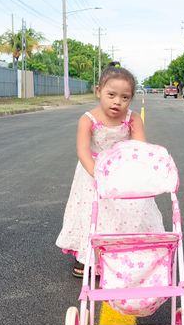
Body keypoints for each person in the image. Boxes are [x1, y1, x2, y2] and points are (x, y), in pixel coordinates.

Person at [55, 62, 165, 277]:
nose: (117, 102)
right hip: (93, 172)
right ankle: (88, 258)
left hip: (123, 172)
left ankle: (128, 252)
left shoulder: (132, 118)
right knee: (92, 213)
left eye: (125, 97)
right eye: (111, 94)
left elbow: (139, 147)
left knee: (129, 210)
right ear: (99, 92)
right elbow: (83, 150)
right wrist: (98, 175)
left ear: (131, 98)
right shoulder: (88, 120)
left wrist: (140, 172)